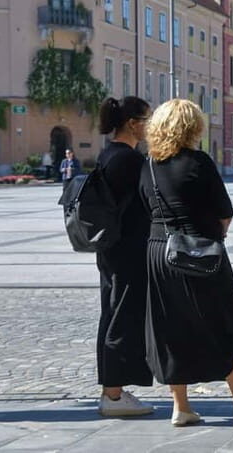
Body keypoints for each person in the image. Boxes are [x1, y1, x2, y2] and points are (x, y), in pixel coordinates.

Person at [139, 99, 233, 427]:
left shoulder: (149, 165)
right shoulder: (198, 162)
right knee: (223, 323)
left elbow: (145, 207)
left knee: (170, 327)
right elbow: (224, 213)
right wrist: (211, 236)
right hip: (198, 252)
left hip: (159, 252)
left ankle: (181, 406)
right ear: (192, 127)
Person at [95, 96, 154, 417]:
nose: (151, 125)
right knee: (122, 317)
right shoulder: (129, 161)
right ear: (133, 124)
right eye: (148, 119)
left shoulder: (107, 155)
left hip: (111, 249)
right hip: (129, 249)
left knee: (112, 313)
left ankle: (112, 390)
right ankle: (113, 396)